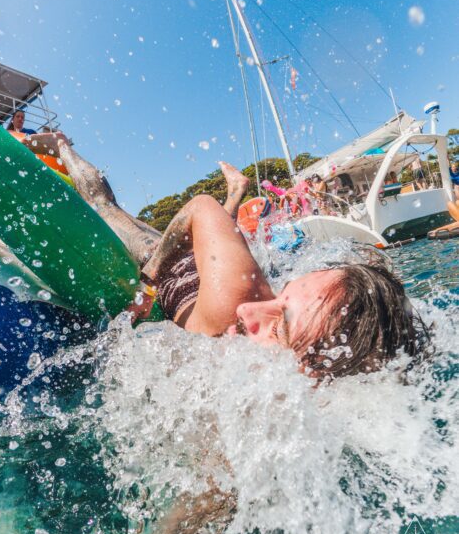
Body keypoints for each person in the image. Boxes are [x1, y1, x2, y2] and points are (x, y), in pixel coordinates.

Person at [55, 138, 427, 381]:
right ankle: (64, 146)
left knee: (226, 241)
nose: (249, 313)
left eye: (279, 329)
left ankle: (236, 192)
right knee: (105, 206)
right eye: (281, 302)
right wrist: (150, 281)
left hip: (209, 268)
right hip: (171, 266)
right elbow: (200, 208)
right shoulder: (235, 298)